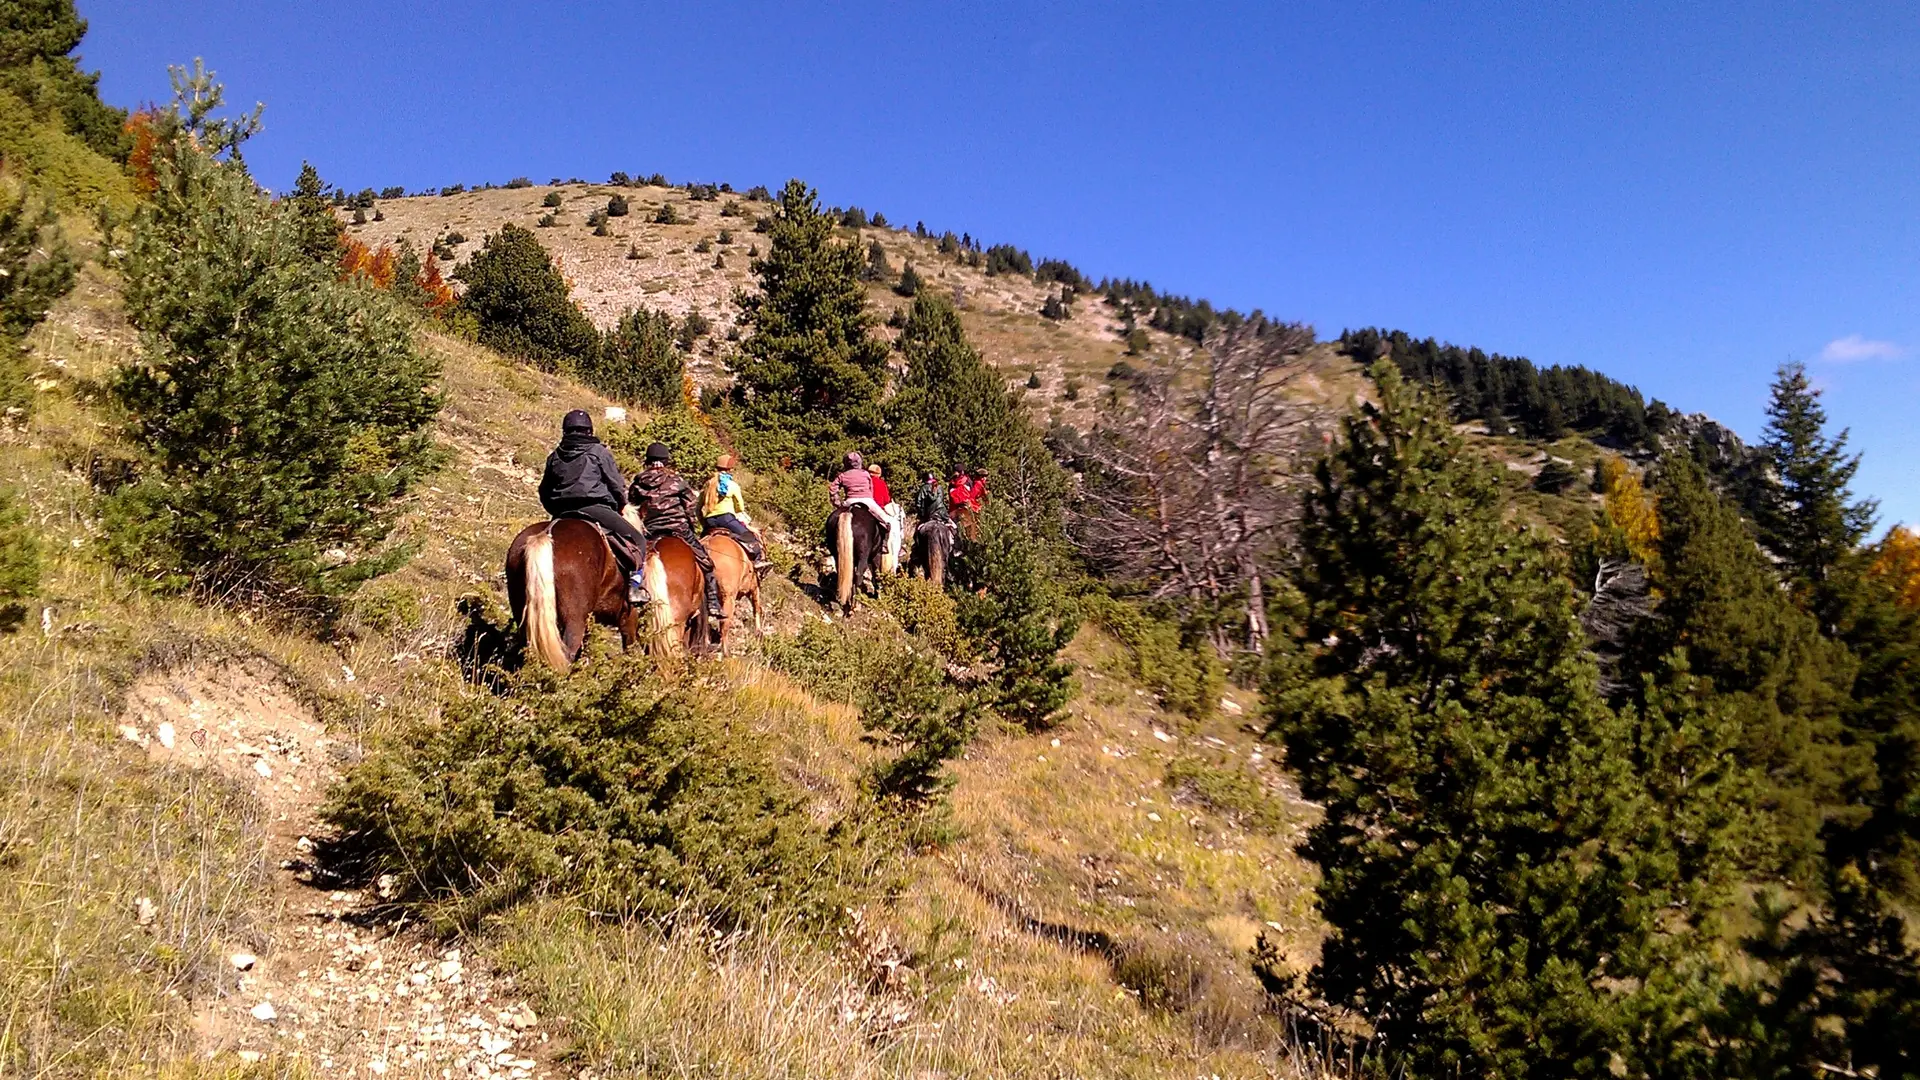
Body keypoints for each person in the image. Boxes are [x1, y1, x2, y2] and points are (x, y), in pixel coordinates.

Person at [538, 409, 649, 605]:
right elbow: (616, 483)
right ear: (589, 430)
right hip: (595, 508)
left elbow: (544, 491)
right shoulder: (599, 452)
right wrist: (620, 505)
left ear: (565, 430)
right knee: (638, 540)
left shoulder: (554, 456)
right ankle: (634, 588)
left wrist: (555, 510)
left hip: (562, 512)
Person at [627, 441, 723, 618]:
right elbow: (691, 507)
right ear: (666, 460)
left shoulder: (638, 482)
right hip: (677, 528)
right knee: (706, 563)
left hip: (649, 531)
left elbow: (632, 506)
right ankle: (713, 603)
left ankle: (632, 590)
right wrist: (692, 525)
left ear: (648, 460)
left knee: (631, 561)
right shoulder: (677, 480)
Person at [702, 453, 768, 567]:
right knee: (750, 538)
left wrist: (704, 523)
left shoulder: (708, 484)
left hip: (709, 522)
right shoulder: (732, 485)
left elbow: (698, 508)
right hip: (726, 519)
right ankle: (758, 561)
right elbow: (740, 508)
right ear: (730, 469)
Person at [829, 451, 892, 542]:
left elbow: (833, 488)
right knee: (886, 521)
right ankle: (884, 544)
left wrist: (837, 502)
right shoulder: (866, 474)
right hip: (867, 501)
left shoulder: (842, 475)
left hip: (849, 501)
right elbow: (871, 488)